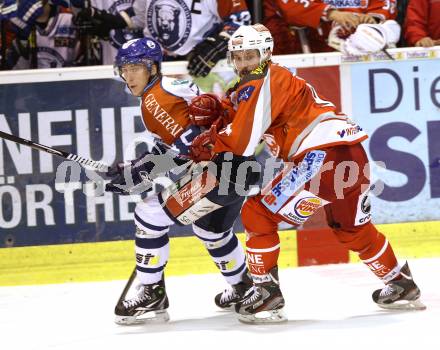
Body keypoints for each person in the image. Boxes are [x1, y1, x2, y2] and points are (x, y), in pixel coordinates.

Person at [188, 24, 426, 324]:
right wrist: (220, 111)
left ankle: (265, 292)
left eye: (250, 55)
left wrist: (210, 143)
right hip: (350, 154)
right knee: (350, 227)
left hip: (321, 159)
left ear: (266, 53)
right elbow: (244, 112)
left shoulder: (263, 81)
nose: (244, 63)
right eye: (238, 56)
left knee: (258, 214)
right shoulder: (268, 80)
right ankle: (400, 283)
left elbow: (242, 142)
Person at [105, 37, 251, 325]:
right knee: (211, 230)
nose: (128, 75)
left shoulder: (154, 100)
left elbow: (190, 151)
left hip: (217, 174)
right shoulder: (169, 87)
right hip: (238, 169)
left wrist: (140, 172)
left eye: (135, 67)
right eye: (124, 68)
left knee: (148, 213)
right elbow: (178, 145)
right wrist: (136, 168)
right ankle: (242, 286)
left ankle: (151, 291)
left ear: (153, 67)